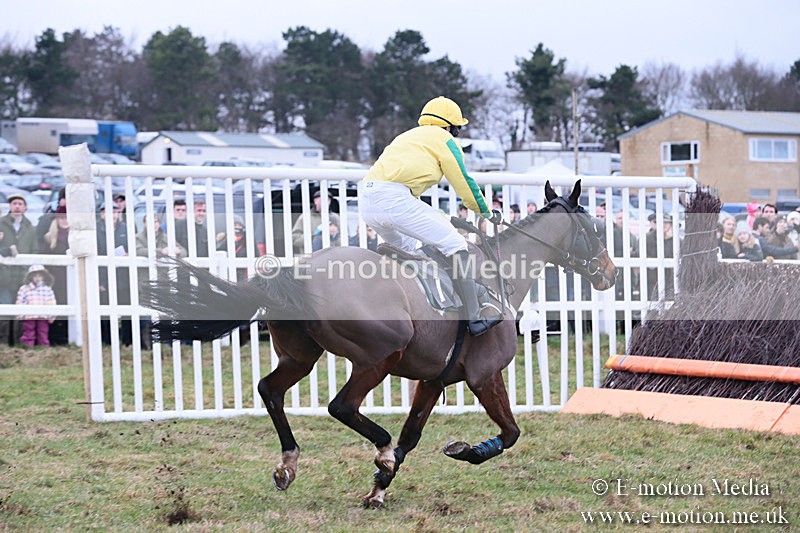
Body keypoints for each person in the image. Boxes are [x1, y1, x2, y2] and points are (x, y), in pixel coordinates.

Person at [359, 95, 501, 336]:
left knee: (411, 250)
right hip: (395, 199)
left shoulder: (406, 136)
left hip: (367, 199)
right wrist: (485, 211)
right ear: (449, 126)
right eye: (456, 129)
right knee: (455, 244)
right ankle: (474, 318)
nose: (455, 134)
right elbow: (464, 183)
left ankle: (405, 305)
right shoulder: (445, 140)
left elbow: (409, 198)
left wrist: (445, 218)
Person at [0, 193, 38, 346]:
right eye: (14, 203)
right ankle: (3, 343)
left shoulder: (30, 227)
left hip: (22, 275)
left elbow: (34, 250)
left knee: (21, 309)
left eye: (20, 203)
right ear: (9, 206)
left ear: (25, 207)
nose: (16, 206)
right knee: (5, 307)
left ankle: (18, 343)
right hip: (4, 274)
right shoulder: (1, 223)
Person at [15, 265, 57, 347]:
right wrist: (20, 314)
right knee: (28, 332)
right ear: (30, 277)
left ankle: (43, 350)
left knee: (43, 332)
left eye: (40, 276)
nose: (37, 278)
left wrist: (51, 316)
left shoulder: (47, 289)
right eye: (35, 276)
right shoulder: (24, 289)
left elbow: (51, 302)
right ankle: (27, 348)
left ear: (44, 277)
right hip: (29, 316)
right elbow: (20, 301)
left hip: (43, 316)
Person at [292, 190, 334, 254]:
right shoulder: (305, 217)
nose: (326, 203)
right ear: (315, 201)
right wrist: (315, 234)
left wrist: (335, 234)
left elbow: (346, 241)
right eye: (322, 200)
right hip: (311, 259)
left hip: (333, 259)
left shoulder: (336, 218)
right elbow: (295, 240)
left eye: (328, 200)